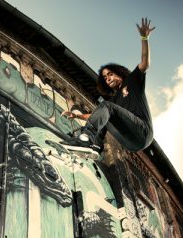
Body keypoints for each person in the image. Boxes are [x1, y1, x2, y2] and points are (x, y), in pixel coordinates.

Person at [61, 18, 156, 160]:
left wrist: (144, 38)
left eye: (110, 74)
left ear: (119, 73)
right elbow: (96, 117)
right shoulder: (113, 101)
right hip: (130, 143)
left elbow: (145, 62)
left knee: (106, 106)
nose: (108, 79)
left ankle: (85, 138)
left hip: (143, 132)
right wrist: (76, 116)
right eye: (105, 78)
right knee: (104, 113)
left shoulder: (133, 80)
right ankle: (95, 146)